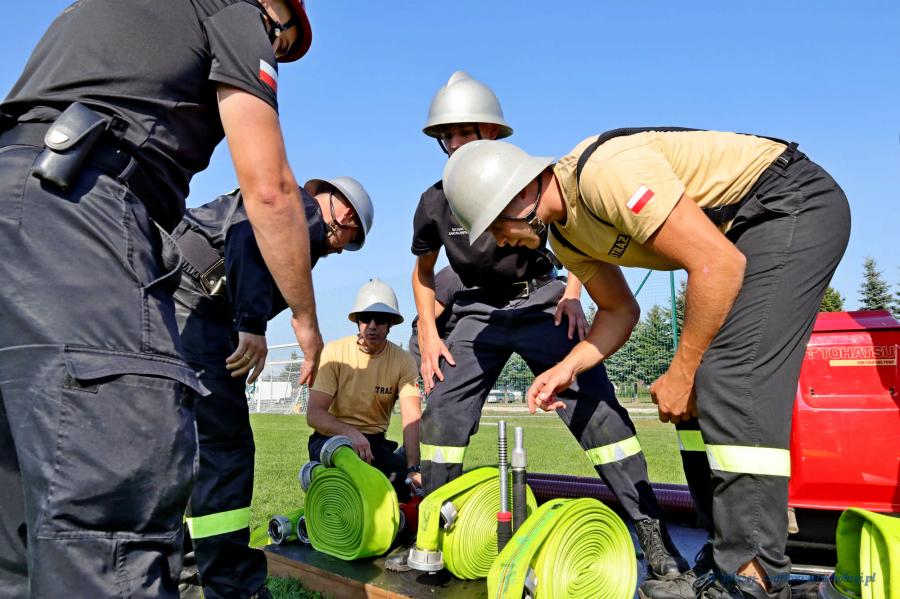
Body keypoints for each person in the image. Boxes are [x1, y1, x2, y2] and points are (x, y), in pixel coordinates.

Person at [441, 129, 850, 599]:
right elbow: (619, 310)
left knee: (729, 377)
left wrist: (684, 369)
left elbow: (716, 264)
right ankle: (724, 558)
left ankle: (751, 578)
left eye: (496, 225)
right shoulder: (569, 239)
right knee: (697, 397)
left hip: (789, 203)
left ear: (520, 194)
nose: (499, 241)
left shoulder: (605, 176)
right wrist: (568, 367)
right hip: (741, 235)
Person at [0, 1, 322, 596]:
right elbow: (269, 190)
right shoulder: (236, 10)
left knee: (17, 509)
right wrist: (304, 317)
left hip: (18, 196)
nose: (273, 49)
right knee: (107, 505)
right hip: (82, 209)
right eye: (279, 40)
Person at [411, 72, 685, 579]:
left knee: (599, 411)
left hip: (542, 301)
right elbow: (423, 273)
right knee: (442, 413)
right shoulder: (433, 202)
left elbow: (574, 235)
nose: (454, 143)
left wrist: (573, 294)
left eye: (464, 131)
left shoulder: (525, 184)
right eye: (446, 136)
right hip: (477, 311)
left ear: (492, 132)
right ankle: (433, 538)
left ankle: (653, 533)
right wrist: (429, 333)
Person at [173, 177, 373, 599]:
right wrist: (251, 324)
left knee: (180, 443)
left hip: (173, 296)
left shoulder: (295, 215)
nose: (341, 250)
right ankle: (233, 586)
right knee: (225, 449)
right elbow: (246, 234)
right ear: (346, 215)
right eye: (350, 240)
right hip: (198, 302)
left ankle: (186, 572)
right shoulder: (304, 210)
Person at [307, 279, 422, 501]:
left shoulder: (403, 361)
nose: (372, 325)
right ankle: (319, 477)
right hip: (331, 439)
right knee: (351, 481)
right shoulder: (335, 352)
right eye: (365, 318)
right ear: (357, 321)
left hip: (373, 445)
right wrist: (351, 434)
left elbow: (411, 419)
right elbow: (314, 414)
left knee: (404, 488)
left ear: (391, 323)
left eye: (380, 318)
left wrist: (413, 469)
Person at [408, 265, 466, 366]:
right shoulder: (453, 276)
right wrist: (428, 364)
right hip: (427, 337)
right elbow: (422, 324)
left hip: (455, 341)